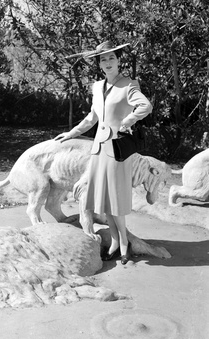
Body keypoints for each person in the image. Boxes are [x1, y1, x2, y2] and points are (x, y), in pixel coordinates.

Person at [55, 40, 152, 265]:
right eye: (103, 59)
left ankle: (125, 244)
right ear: (99, 64)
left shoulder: (129, 85)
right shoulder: (97, 87)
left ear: (119, 61)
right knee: (106, 201)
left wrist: (127, 121)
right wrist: (71, 133)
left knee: (116, 201)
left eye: (111, 58)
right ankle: (116, 242)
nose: (107, 62)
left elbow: (145, 106)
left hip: (118, 149)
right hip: (99, 149)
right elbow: (92, 118)